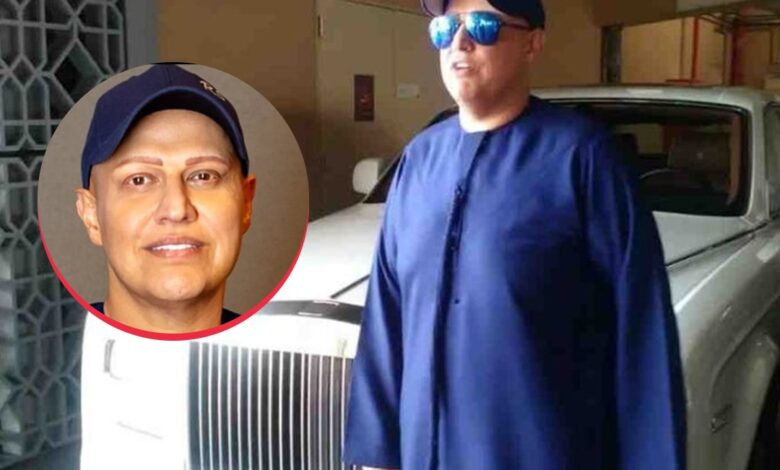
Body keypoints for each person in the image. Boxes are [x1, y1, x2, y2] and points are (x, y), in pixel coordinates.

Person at [343, 0, 686, 469]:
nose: (459, 42)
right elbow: (387, 317)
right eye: (444, 28)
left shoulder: (583, 159)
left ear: (533, 43)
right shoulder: (419, 161)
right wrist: (376, 455)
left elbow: (642, 333)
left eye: (483, 25)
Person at [75, 64, 256, 333]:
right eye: (139, 180)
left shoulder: (292, 351)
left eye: (204, 176)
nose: (176, 209)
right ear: (91, 216)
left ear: (246, 203)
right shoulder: (45, 354)